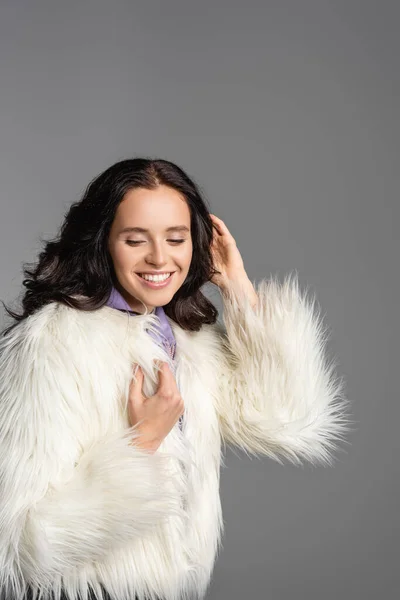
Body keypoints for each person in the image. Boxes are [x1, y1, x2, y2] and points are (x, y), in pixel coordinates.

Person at [0, 158, 351, 600]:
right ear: (103, 243)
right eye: (134, 240)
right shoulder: (53, 343)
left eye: (176, 238)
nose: (160, 258)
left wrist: (236, 286)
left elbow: (287, 421)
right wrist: (141, 445)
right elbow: (16, 542)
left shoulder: (186, 340)